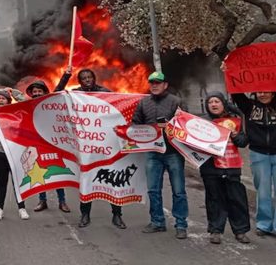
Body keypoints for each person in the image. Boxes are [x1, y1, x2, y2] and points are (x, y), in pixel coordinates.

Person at [132, 71, 187, 239]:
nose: (154, 85)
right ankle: (157, 222)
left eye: (158, 82)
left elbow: (185, 125)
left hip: (173, 153)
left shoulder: (176, 102)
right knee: (153, 190)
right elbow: (136, 123)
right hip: (152, 153)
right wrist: (128, 131)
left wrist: (169, 128)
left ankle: (181, 225)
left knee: (179, 191)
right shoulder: (143, 103)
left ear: (165, 85)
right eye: (151, 82)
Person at [71, 69, 124, 229]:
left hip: (106, 144)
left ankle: (117, 215)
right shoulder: (75, 94)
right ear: (80, 81)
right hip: (87, 147)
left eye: (89, 77)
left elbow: (117, 110)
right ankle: (85, 215)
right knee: (86, 181)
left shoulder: (106, 93)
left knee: (113, 180)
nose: (87, 80)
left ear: (94, 78)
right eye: (84, 78)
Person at [200, 92, 250, 244]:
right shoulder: (202, 122)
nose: (214, 104)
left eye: (217, 101)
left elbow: (243, 142)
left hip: (231, 166)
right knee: (214, 199)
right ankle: (215, 230)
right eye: (210, 102)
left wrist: (235, 135)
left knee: (237, 199)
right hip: (210, 168)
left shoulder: (235, 120)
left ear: (223, 103)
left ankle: (240, 231)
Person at [231, 90, 276, 236]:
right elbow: (236, 92)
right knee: (263, 191)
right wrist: (228, 72)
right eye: (259, 92)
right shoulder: (249, 106)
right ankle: (264, 224)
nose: (263, 95)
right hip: (259, 153)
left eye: (266, 92)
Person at [27, 70, 71, 213]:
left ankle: (62, 201)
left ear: (44, 92)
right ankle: (42, 200)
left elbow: (59, 88)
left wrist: (67, 75)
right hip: (37, 143)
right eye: (35, 91)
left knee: (57, 170)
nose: (37, 93)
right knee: (39, 172)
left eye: (40, 91)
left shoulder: (50, 101)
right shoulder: (28, 105)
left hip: (53, 142)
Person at [0, 88, 30, 221]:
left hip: (14, 152)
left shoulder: (16, 112)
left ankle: (22, 208)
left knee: (18, 181)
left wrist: (13, 92)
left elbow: (26, 104)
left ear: (8, 100)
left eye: (3, 98)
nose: (0, 100)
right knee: (1, 181)